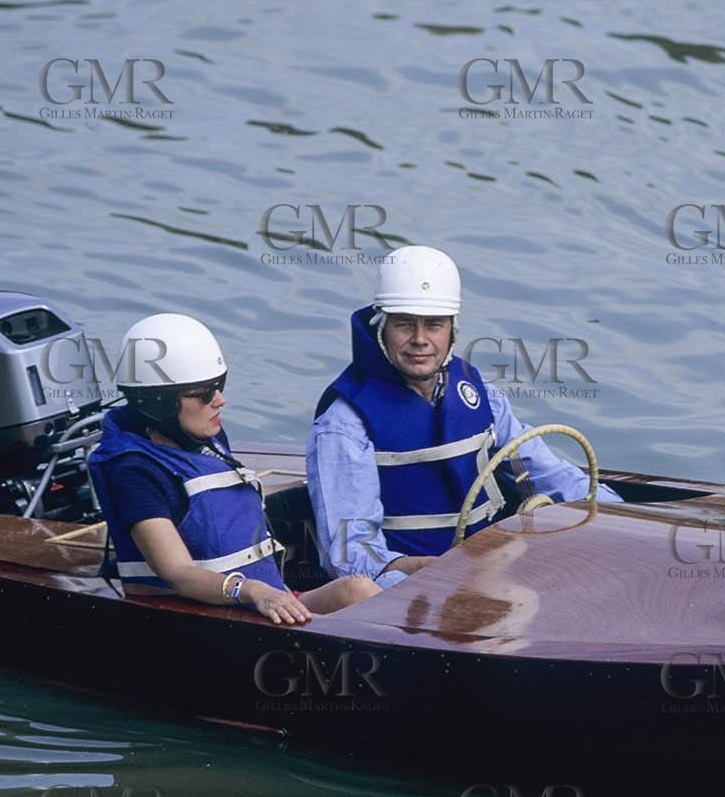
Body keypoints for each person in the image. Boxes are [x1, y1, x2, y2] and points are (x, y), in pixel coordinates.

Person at [307, 246, 618, 588]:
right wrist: (434, 574)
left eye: (434, 325)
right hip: (406, 596)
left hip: (493, 570)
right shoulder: (345, 423)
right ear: (382, 327)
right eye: (405, 325)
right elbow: (352, 558)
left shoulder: (480, 395)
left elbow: (551, 476)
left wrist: (619, 516)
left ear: (453, 330)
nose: (420, 340)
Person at [90, 313, 378, 625]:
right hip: (203, 614)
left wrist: (267, 594)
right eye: (204, 393)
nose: (220, 400)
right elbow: (178, 574)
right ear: (158, 402)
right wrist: (252, 590)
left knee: (356, 588)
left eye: (219, 385)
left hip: (264, 601)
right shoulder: (134, 473)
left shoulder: (203, 438)